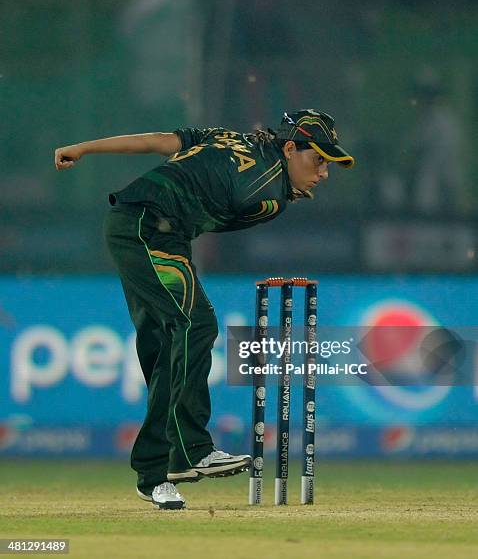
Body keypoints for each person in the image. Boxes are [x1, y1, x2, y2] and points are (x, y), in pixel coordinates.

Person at [54, 109, 354, 510]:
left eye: (328, 163)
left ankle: (153, 473)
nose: (324, 173)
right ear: (288, 146)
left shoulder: (226, 137)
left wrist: (84, 148)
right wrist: (282, 193)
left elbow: (157, 140)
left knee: (166, 349)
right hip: (146, 228)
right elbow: (232, 208)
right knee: (196, 325)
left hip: (148, 230)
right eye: (317, 159)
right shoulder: (268, 190)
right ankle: (191, 450)